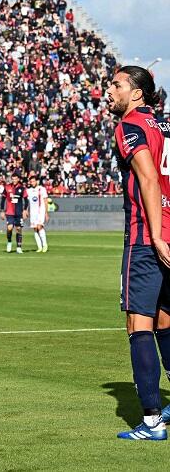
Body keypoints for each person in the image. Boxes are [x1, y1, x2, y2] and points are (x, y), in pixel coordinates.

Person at [107, 66, 170, 440]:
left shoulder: (129, 125)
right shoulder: (164, 125)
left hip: (146, 237)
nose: (108, 91)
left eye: (116, 85)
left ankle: (151, 422)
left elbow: (147, 177)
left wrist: (158, 235)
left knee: (138, 324)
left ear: (136, 94)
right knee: (165, 320)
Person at [0, 171, 28, 253]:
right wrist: (2, 211)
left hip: (19, 212)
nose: (14, 180)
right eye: (13, 179)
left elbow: (26, 200)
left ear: (18, 179)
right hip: (9, 212)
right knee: (9, 228)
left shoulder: (22, 188)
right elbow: (3, 199)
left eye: (15, 179)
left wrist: (25, 210)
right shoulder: (7, 187)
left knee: (19, 229)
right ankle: (9, 242)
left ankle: (19, 247)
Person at [26, 175, 49, 252]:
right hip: (33, 212)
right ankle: (39, 247)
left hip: (40, 210)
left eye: (33, 181)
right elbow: (28, 202)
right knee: (35, 228)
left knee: (40, 227)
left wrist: (46, 213)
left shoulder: (42, 189)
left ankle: (45, 245)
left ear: (36, 181)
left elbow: (45, 201)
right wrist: (26, 210)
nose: (32, 183)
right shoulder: (28, 190)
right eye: (31, 181)